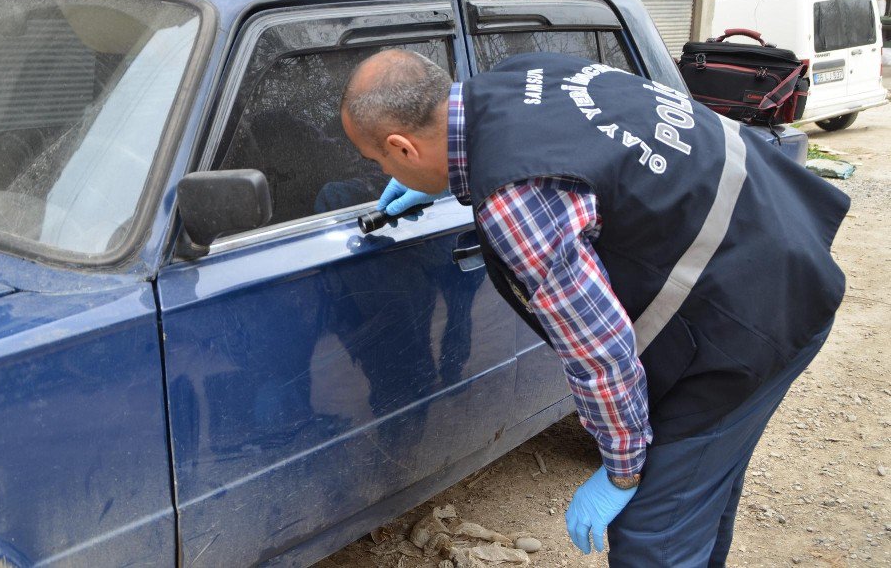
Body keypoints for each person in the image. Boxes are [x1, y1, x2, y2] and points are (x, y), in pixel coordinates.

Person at [339, 49, 849, 566]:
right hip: (780, 232)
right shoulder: (524, 71)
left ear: (403, 147)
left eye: (379, 159)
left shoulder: (516, 198)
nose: (383, 168)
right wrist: (444, 181)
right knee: (694, 494)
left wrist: (622, 466)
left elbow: (599, 349)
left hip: (752, 320)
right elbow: (579, 158)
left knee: (654, 536)